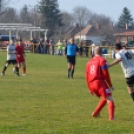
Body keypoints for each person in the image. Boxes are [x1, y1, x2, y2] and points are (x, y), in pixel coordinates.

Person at [86, 46, 115, 120]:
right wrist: (110, 85)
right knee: (109, 98)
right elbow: (106, 74)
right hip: (99, 82)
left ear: (94, 52)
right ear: (102, 52)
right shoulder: (102, 60)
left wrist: (89, 88)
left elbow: (87, 75)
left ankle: (96, 113)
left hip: (91, 83)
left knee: (105, 98)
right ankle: (111, 117)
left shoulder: (89, 62)